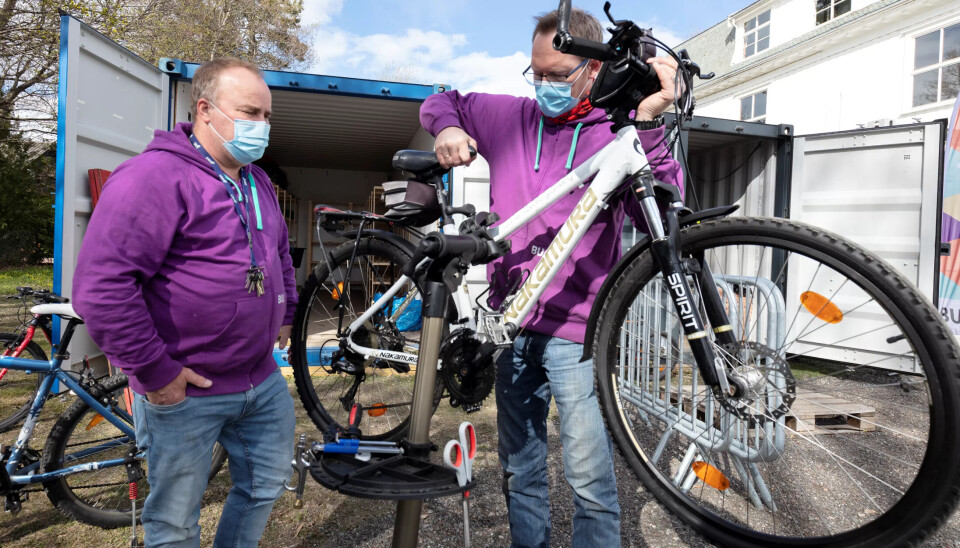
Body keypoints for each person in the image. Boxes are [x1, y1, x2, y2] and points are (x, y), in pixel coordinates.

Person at [420, 7, 683, 548]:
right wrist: (446, 126)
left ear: (592, 70)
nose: (543, 86)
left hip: (579, 335)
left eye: (557, 76)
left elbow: (660, 207)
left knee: (589, 482)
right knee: (521, 472)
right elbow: (443, 98)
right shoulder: (509, 117)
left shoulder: (616, 129)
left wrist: (650, 124)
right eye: (534, 72)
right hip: (508, 327)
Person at [73, 57, 297, 547]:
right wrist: (156, 373)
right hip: (186, 388)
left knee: (265, 484)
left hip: (259, 379)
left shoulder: (256, 181)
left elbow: (279, 251)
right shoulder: (152, 177)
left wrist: (288, 311)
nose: (262, 127)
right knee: (175, 521)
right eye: (250, 112)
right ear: (205, 109)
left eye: (267, 117)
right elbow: (102, 288)